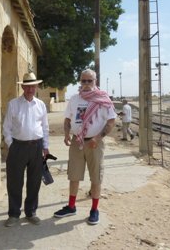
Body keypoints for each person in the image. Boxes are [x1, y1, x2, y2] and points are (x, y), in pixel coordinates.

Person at [54, 69, 116, 225]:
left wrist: (98, 137)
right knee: (73, 175)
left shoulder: (103, 99)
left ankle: (94, 210)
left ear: (95, 81)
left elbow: (111, 122)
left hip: (95, 143)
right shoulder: (75, 99)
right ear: (80, 82)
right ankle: (71, 206)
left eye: (90, 81)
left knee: (96, 177)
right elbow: (68, 119)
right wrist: (67, 134)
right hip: (77, 142)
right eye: (84, 81)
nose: (87, 84)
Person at [2, 72, 50, 227]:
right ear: (22, 86)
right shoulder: (13, 104)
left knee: (34, 182)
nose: (30, 89)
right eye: (27, 86)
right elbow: (6, 127)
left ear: (36, 87)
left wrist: (45, 146)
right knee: (14, 182)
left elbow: (45, 127)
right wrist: (11, 145)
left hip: (36, 147)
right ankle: (14, 214)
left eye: (33, 86)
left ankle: (31, 212)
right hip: (18, 147)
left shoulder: (41, 105)